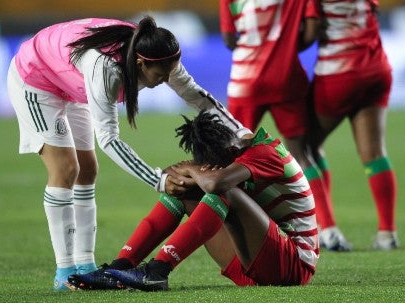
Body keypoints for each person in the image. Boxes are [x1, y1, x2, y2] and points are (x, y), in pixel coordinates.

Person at [6, 16, 250, 290]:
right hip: (37, 77)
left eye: (170, 72)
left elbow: (194, 94)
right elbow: (109, 139)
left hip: (71, 80)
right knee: (65, 170)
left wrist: (239, 132)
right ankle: (64, 271)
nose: (166, 80)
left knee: (87, 170)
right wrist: (158, 180)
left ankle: (85, 265)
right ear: (140, 63)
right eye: (160, 75)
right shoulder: (104, 68)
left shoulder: (159, 54)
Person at [219, 0, 380, 252]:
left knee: (231, 157)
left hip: (246, 81)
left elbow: (230, 39)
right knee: (302, 153)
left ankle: (236, 234)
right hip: (287, 79)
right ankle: (329, 229)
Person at [69, 110, 319, 291]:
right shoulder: (232, 154)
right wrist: (190, 176)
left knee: (224, 192)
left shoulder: (266, 152)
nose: (211, 168)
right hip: (254, 265)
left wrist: (193, 169)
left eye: (214, 165)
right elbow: (175, 176)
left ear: (232, 152)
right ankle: (120, 266)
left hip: (293, 265)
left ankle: (156, 272)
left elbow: (215, 184)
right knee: (183, 191)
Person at [301, 0, 398, 250]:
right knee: (374, 153)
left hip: (339, 73)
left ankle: (328, 230)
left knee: (306, 146)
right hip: (377, 70)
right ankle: (387, 233)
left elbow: (311, 32)